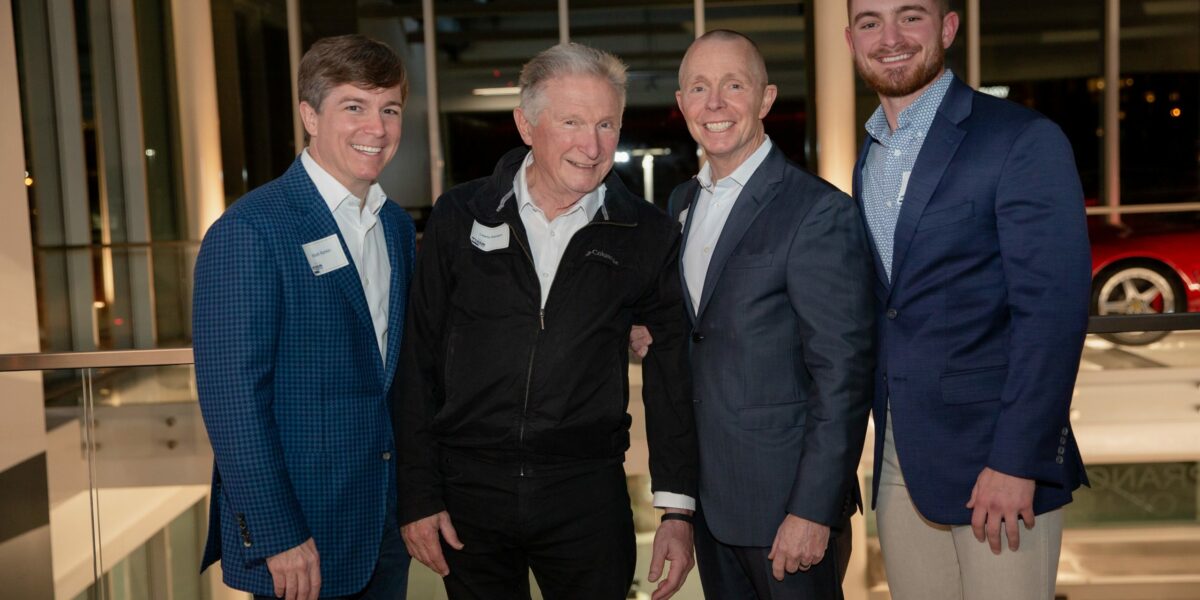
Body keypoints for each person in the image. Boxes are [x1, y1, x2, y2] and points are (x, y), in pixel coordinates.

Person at [394, 42, 698, 600]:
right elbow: (417, 359)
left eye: (607, 123)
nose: (592, 144)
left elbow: (672, 374)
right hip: (469, 494)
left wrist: (676, 508)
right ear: (526, 125)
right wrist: (418, 495)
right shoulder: (459, 216)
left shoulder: (647, 234)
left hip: (586, 495)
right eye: (572, 122)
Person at [844, 1, 1091, 597]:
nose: (890, 38)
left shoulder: (1021, 139)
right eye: (870, 22)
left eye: (911, 16)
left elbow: (1052, 316)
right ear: (850, 38)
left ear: (949, 28)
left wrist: (1017, 460)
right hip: (902, 460)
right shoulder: (870, 156)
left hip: (998, 465)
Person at [634, 30, 875, 598]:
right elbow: (696, 330)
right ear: (682, 104)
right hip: (715, 510)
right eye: (699, 88)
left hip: (788, 515)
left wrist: (812, 511)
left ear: (765, 99)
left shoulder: (816, 212)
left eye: (732, 85)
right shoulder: (682, 203)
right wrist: (681, 508)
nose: (714, 103)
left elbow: (843, 376)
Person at [193, 34, 414, 600]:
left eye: (389, 109)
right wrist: (276, 533)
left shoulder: (393, 227)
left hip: (381, 528)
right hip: (299, 544)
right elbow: (232, 399)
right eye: (354, 107)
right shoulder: (251, 231)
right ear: (310, 115)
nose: (378, 128)